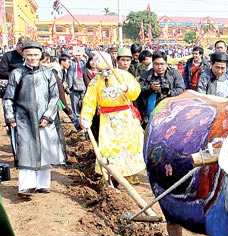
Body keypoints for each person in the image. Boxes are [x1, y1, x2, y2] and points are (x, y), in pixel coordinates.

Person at [2, 41, 66, 199]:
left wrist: (47, 116)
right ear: (23, 54)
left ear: (41, 55)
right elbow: (8, 98)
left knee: (44, 148)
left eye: (35, 55)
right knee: (25, 150)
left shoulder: (48, 73)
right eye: (29, 54)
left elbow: (54, 97)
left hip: (44, 119)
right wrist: (10, 116)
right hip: (23, 118)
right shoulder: (16, 73)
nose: (32, 58)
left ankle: (43, 184)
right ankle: (26, 186)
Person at [80, 52, 145, 185]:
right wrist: (86, 117)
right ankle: (110, 174)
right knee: (109, 148)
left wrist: (126, 88)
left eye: (107, 70)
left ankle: (129, 174)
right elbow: (89, 101)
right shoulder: (95, 82)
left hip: (126, 117)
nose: (104, 73)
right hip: (107, 119)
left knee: (128, 147)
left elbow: (136, 91)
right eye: (100, 71)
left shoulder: (123, 75)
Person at [138, 50, 185, 124]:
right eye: (156, 64)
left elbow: (181, 89)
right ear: (153, 64)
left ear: (166, 63)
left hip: (170, 111)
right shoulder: (146, 74)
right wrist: (150, 88)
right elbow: (139, 89)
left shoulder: (174, 74)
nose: (159, 67)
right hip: (149, 113)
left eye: (162, 64)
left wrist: (169, 92)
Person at [67, 48, 87, 129]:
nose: (78, 57)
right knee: (74, 104)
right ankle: (76, 121)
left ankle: (82, 119)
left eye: (79, 55)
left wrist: (85, 56)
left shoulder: (84, 62)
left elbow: (90, 63)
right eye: (76, 55)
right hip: (73, 85)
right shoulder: (71, 62)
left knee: (83, 102)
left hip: (83, 84)